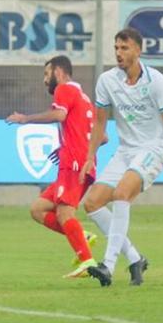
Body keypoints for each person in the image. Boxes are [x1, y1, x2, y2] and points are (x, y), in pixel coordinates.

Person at [82, 27, 163, 287]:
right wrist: (90, 156)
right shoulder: (107, 81)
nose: (119, 53)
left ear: (138, 50)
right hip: (125, 151)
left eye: (124, 48)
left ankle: (108, 265)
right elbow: (99, 123)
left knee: (121, 194)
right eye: (116, 48)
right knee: (91, 203)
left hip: (154, 149)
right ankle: (135, 258)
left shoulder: (156, 81)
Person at [6, 55, 98, 278]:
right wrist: (69, 145)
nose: (45, 80)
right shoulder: (84, 98)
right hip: (82, 163)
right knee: (38, 209)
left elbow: (59, 114)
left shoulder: (64, 89)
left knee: (65, 213)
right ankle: (81, 237)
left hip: (74, 164)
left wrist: (25, 119)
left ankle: (87, 262)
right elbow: (101, 137)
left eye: (47, 74)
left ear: (58, 72)